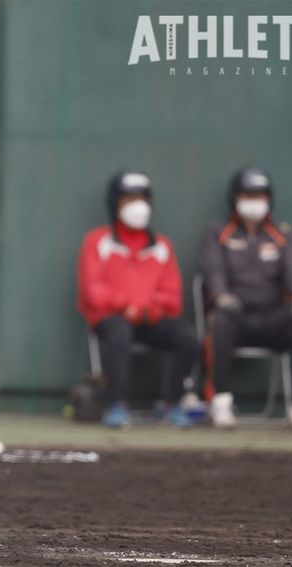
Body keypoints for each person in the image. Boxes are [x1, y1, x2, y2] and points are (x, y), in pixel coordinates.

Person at [199, 167, 292, 430]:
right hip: (236, 317)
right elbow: (213, 271)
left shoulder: (282, 234)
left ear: (269, 200)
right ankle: (220, 403)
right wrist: (221, 295)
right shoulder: (219, 232)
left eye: (260, 196)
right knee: (219, 320)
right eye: (248, 195)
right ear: (235, 198)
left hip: (272, 318)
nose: (254, 202)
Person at [77, 170, 198, 429]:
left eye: (141, 199)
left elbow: (173, 297)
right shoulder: (96, 241)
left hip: (151, 319)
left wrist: (149, 308)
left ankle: (171, 404)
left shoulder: (163, 245)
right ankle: (117, 405)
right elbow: (93, 292)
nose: (137, 207)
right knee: (119, 332)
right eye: (128, 200)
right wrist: (125, 306)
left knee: (186, 336)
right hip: (113, 319)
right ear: (115, 205)